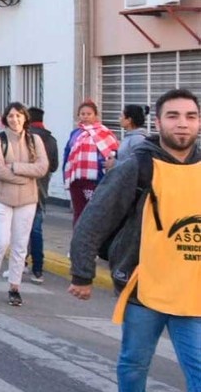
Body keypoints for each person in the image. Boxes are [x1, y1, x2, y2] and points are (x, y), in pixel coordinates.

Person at [69, 89, 201, 392]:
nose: (182, 123)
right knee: (134, 364)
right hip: (144, 290)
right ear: (158, 122)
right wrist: (82, 274)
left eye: (190, 116)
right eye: (173, 116)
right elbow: (94, 219)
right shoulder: (137, 167)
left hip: (193, 292)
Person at [0, 102, 48, 307]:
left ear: (25, 118)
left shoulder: (35, 140)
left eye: (18, 116)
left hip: (27, 199)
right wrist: (25, 176)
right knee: (0, 241)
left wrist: (16, 167)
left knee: (20, 244)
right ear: (5, 119)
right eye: (10, 116)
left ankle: (14, 287)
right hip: (0, 198)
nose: (14, 120)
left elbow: (42, 167)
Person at [63, 100, 119, 226]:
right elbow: (67, 154)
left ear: (95, 115)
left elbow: (113, 152)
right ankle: (78, 236)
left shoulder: (103, 132)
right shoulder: (75, 133)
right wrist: (65, 175)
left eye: (89, 114)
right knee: (78, 212)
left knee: (95, 212)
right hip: (76, 180)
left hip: (95, 180)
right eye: (82, 114)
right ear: (78, 115)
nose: (85, 117)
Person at [26, 106, 60, 284]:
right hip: (42, 190)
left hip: (23, 189)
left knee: (21, 230)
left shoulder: (25, 137)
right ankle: (38, 269)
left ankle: (21, 263)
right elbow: (54, 166)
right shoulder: (51, 140)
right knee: (36, 230)